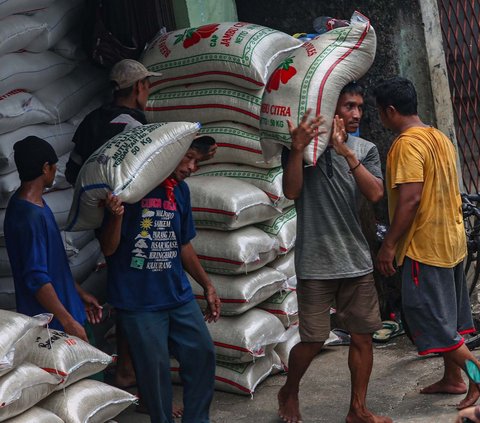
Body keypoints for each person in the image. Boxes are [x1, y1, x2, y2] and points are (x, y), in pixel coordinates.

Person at [277, 82, 391, 423]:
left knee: (362, 338)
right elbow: (292, 191)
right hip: (315, 262)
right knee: (312, 341)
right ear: (330, 108)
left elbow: (375, 195)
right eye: (348, 107)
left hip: (355, 260)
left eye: (359, 107)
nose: (356, 114)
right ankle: (290, 389)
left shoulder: (365, 148)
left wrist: (346, 153)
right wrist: (297, 150)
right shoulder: (302, 148)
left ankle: (357, 409)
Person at [374, 76, 480, 410]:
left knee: (430, 318)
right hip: (451, 242)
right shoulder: (439, 137)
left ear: (390, 110)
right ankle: (453, 380)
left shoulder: (406, 144)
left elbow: (410, 200)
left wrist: (389, 245)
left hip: (425, 248)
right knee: (448, 319)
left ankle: (477, 379)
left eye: (378, 112)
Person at [97, 136, 221, 423]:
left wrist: (207, 285)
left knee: (202, 352)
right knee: (154, 373)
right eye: (188, 158)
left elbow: (183, 245)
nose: (191, 167)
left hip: (177, 295)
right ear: (169, 155)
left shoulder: (181, 192)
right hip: (139, 302)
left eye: (196, 162)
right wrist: (115, 217)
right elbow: (109, 248)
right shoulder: (131, 189)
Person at [4, 136, 103, 342]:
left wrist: (78, 294)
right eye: (55, 166)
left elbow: (53, 266)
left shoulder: (33, 204)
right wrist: (67, 321)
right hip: (55, 329)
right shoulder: (30, 217)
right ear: (46, 168)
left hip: (69, 313)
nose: (57, 170)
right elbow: (37, 279)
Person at [65, 58, 162, 185]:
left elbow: (72, 171)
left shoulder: (91, 118)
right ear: (139, 86)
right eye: (147, 86)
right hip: (116, 202)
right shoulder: (135, 128)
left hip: (87, 198)